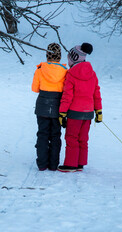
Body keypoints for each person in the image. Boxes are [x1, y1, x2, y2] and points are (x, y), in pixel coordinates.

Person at [57, 43, 102, 172]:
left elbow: (67, 96)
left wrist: (62, 113)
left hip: (74, 113)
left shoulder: (71, 74)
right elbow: (96, 93)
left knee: (71, 138)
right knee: (83, 138)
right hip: (88, 113)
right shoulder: (92, 73)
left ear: (73, 58)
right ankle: (80, 163)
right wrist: (98, 111)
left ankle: (71, 164)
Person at [32, 43, 68, 171]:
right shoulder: (65, 71)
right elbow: (66, 90)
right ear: (59, 56)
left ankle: (42, 164)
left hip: (42, 105)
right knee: (55, 135)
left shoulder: (40, 69)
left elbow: (34, 89)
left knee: (42, 134)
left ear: (47, 55)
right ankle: (53, 164)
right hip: (58, 106)